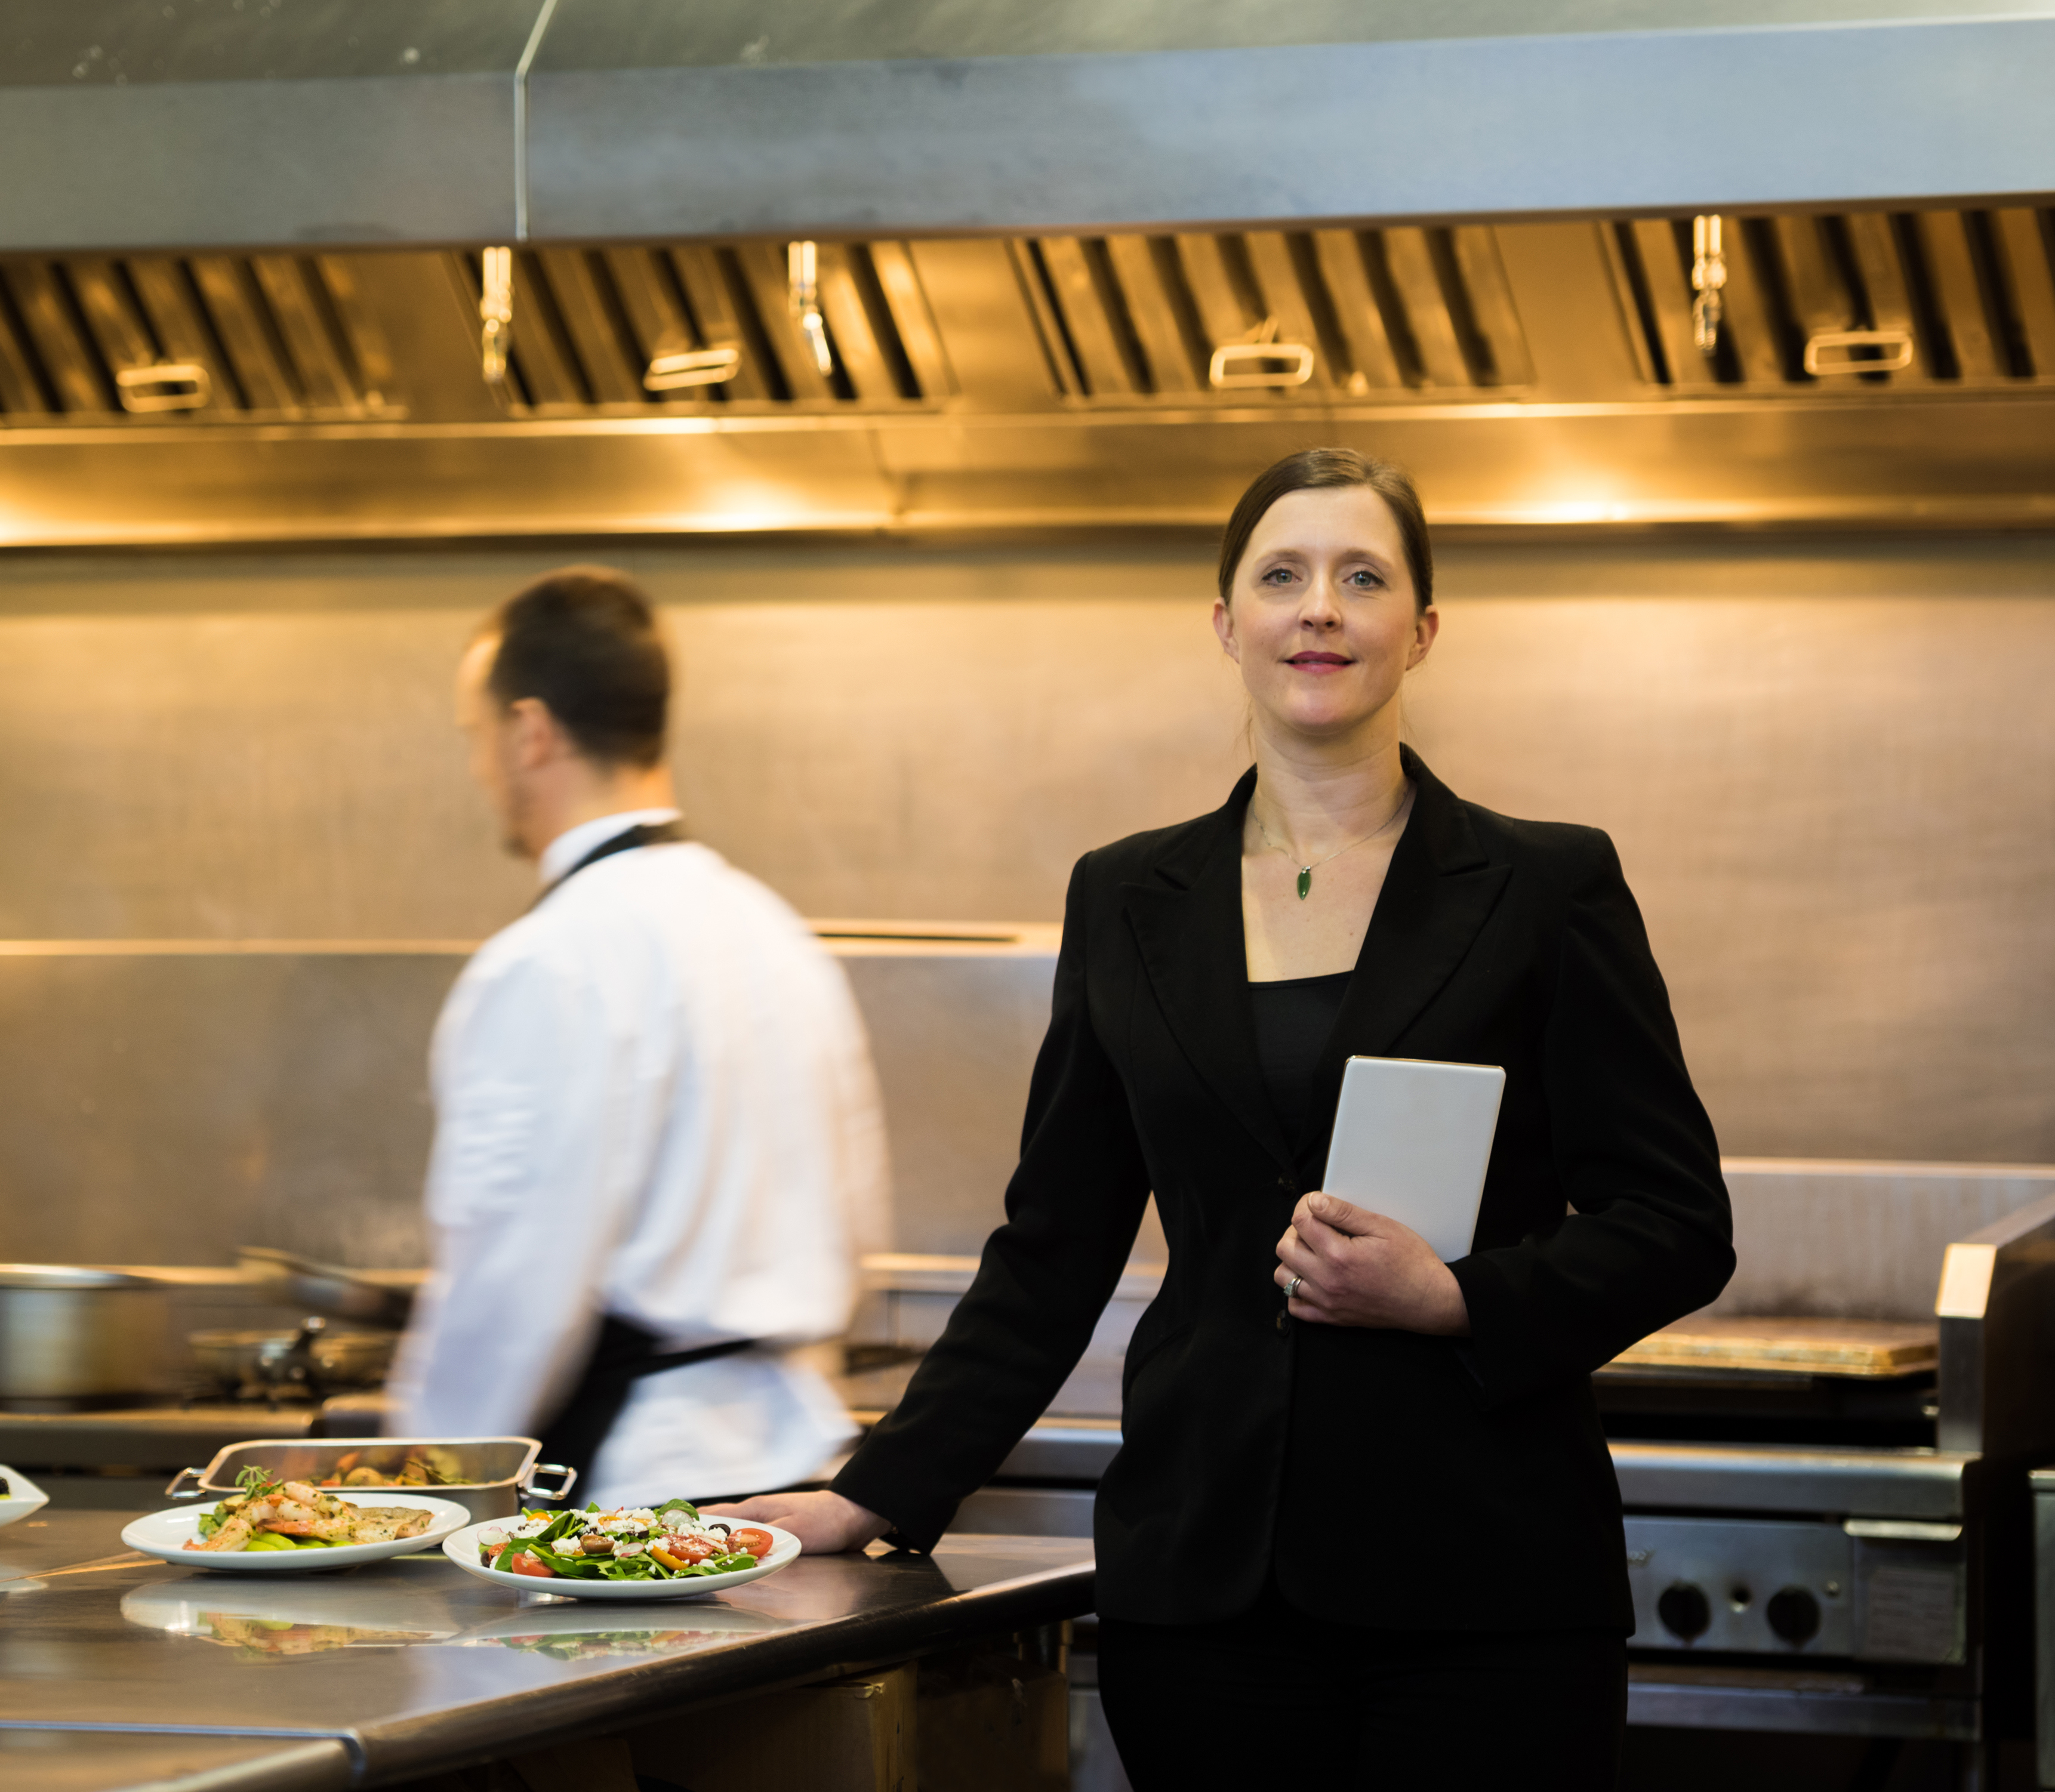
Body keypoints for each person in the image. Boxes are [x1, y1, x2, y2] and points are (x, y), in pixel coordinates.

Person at [714, 449, 1734, 1787]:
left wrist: (1456, 1298)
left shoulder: (1547, 885)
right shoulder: (1128, 898)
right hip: (1205, 1600)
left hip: (1483, 1593)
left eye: (1363, 577)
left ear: (1421, 630)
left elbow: (1677, 1221)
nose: (1321, 607)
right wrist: (879, 1488)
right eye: (1283, 576)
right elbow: (1055, 1242)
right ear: (1226, 624)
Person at [386, 566, 890, 1509]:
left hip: (640, 1503)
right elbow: (858, 1226)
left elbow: (508, 1293)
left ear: (530, 732)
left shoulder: (547, 960)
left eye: (476, 735)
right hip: (796, 1475)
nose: (476, 765)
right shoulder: (775, 932)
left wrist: (418, 1494)